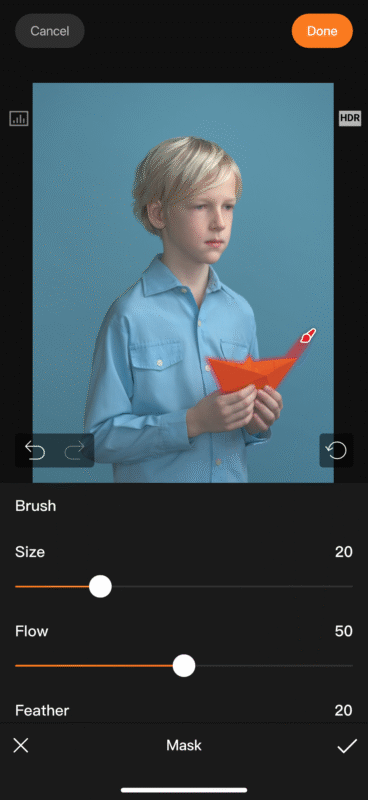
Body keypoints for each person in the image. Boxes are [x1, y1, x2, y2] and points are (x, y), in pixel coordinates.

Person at [83, 136, 283, 482]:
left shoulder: (241, 313)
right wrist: (192, 422)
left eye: (228, 206)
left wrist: (255, 421)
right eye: (200, 206)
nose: (219, 222)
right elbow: (97, 440)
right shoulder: (128, 316)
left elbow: (240, 431)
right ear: (159, 213)